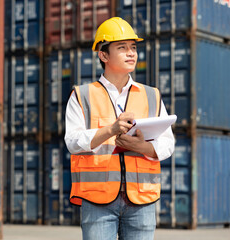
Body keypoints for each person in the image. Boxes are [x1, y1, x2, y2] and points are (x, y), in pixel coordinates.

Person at [64, 17, 175, 240]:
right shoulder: (82, 95)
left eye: (133, 47)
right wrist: (110, 130)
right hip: (98, 200)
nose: (131, 53)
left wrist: (142, 146)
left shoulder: (151, 95)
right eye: (122, 48)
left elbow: (168, 143)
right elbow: (73, 142)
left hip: (141, 199)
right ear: (103, 55)